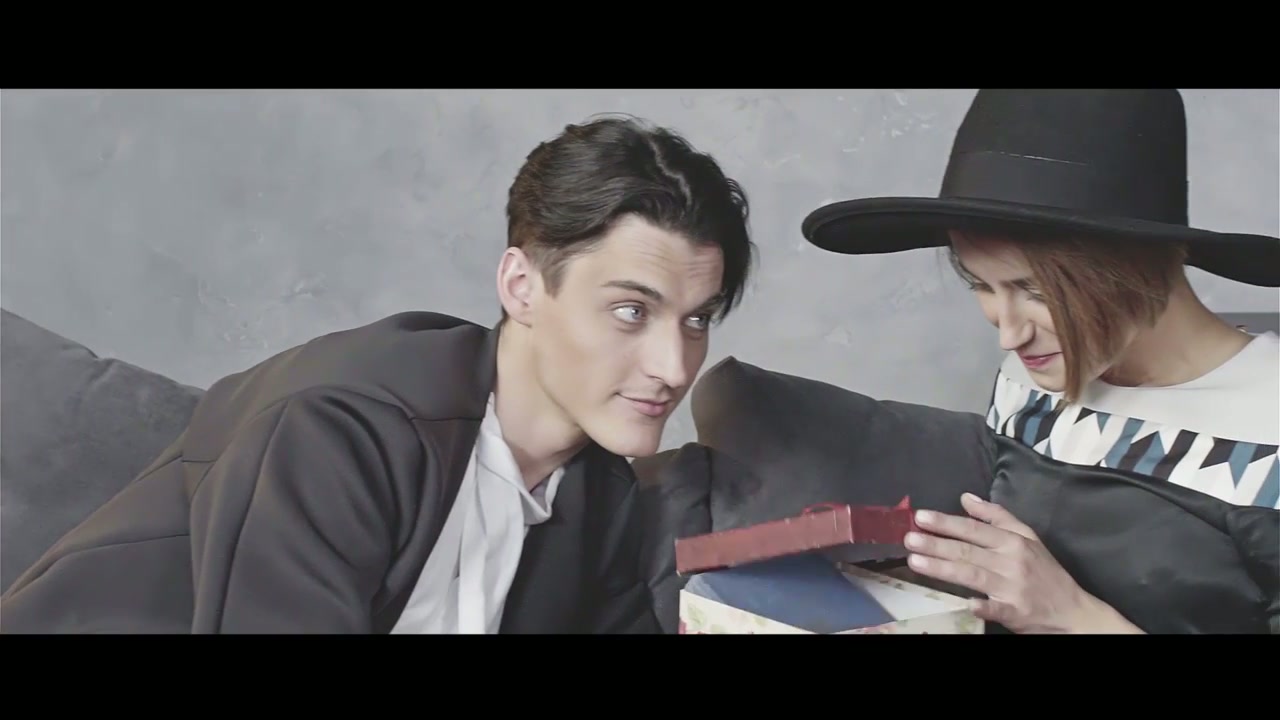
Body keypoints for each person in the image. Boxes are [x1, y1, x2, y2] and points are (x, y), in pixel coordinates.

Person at [0, 113, 757, 634]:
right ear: (522, 286)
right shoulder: (342, 426)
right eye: (630, 311)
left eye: (696, 320)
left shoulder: (600, 495)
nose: (673, 366)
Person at [801, 88, 1279, 633]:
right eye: (981, 284)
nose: (1009, 334)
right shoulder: (1032, 380)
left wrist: (1074, 616)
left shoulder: (1268, 430)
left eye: (1033, 290)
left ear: (1142, 262)